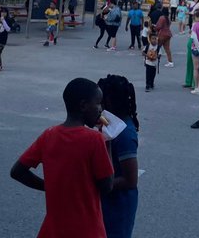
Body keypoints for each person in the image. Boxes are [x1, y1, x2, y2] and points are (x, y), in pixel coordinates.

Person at [10, 77, 114, 238]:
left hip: (53, 229)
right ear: (84, 105)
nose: (101, 109)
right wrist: (108, 142)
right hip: (87, 230)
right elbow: (107, 186)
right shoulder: (95, 139)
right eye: (98, 103)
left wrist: (48, 186)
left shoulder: (49, 135)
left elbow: (17, 171)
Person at [97, 75, 140, 238]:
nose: (98, 106)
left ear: (110, 101)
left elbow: (130, 180)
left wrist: (97, 184)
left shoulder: (124, 134)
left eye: (99, 101)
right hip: (107, 200)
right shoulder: (110, 123)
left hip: (118, 204)